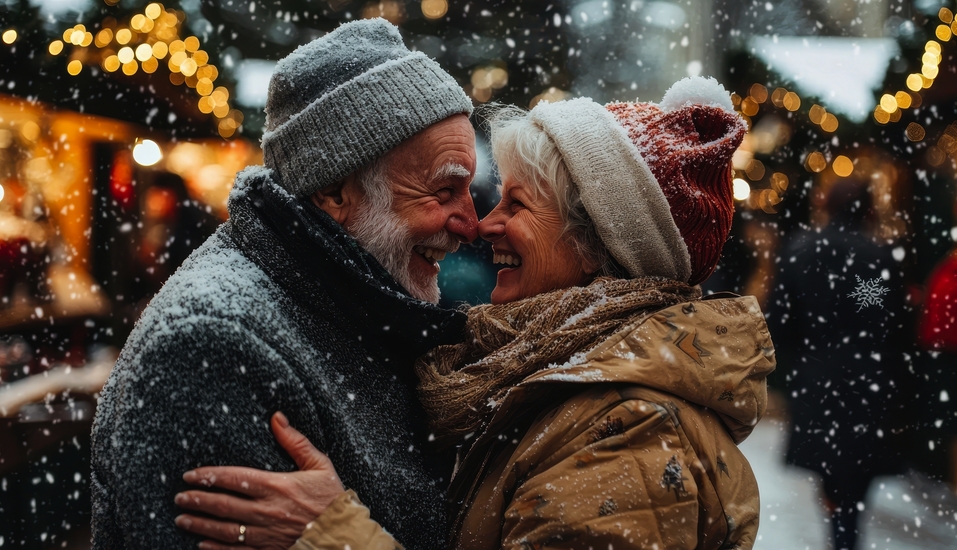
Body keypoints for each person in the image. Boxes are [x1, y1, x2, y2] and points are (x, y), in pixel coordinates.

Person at [174, 77, 776, 550]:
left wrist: (333, 536)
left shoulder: (628, 430)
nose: (483, 226)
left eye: (516, 204)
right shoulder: (557, 377)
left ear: (598, 247)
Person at [90, 18, 478, 549]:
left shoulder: (347, 305)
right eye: (444, 190)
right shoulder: (214, 346)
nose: (471, 224)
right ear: (335, 192)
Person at [767, 178, 906, 550]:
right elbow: (882, 318)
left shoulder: (800, 249)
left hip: (817, 378)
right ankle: (846, 530)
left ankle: (841, 529)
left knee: (833, 475)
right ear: (868, 208)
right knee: (855, 478)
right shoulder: (875, 256)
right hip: (865, 378)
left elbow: (780, 321)